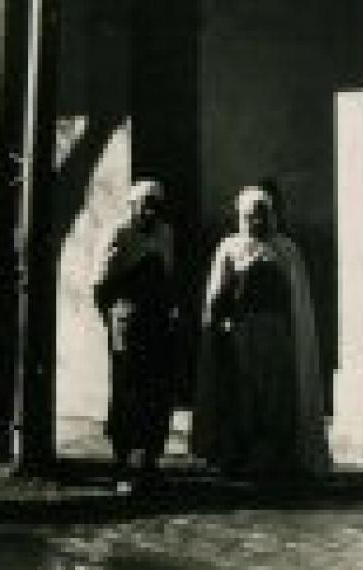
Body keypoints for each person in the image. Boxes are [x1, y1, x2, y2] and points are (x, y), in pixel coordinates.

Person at [190, 182, 329, 481]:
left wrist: (294, 337)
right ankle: (241, 454)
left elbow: (296, 302)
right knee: (243, 395)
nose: (257, 220)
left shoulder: (287, 249)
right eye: (251, 215)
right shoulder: (230, 247)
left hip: (276, 333)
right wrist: (219, 325)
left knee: (276, 396)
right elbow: (218, 294)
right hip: (241, 332)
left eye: (262, 214)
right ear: (241, 215)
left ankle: (275, 456)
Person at [93, 178, 177, 491]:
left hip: (157, 323)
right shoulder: (119, 234)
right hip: (127, 321)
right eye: (145, 205)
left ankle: (150, 461)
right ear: (133, 206)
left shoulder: (166, 234)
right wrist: (114, 318)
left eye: (156, 206)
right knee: (127, 390)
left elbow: (167, 277)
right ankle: (122, 463)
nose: (150, 212)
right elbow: (100, 284)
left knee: (156, 391)